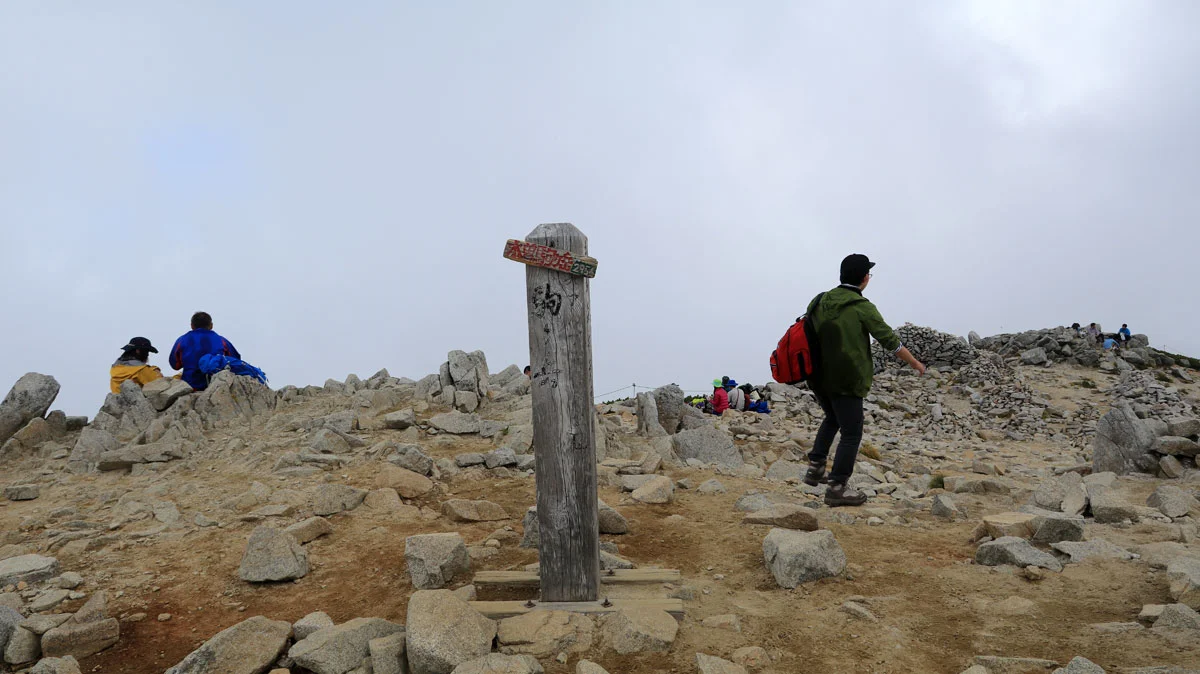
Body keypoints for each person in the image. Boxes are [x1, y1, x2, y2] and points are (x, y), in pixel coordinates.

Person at [803, 254, 926, 507]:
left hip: (818, 377)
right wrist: (914, 362)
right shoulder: (861, 306)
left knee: (832, 418)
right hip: (847, 378)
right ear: (864, 278)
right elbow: (889, 340)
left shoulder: (819, 300)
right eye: (868, 273)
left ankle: (815, 468)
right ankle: (837, 487)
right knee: (851, 433)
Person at [169, 312, 241, 391]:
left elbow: (175, 365)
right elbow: (235, 361)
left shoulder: (182, 341)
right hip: (215, 386)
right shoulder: (222, 341)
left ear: (192, 326)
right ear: (211, 325)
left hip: (190, 386)